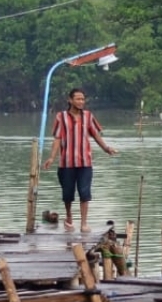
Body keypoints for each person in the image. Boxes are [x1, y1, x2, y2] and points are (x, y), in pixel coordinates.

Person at [42, 87, 117, 232]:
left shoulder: (88, 116)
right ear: (70, 100)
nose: (81, 101)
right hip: (66, 163)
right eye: (78, 99)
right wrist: (52, 157)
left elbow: (95, 135)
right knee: (67, 194)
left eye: (83, 99)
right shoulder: (61, 117)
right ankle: (69, 217)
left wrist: (106, 148)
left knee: (84, 192)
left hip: (85, 163)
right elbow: (57, 138)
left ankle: (84, 223)